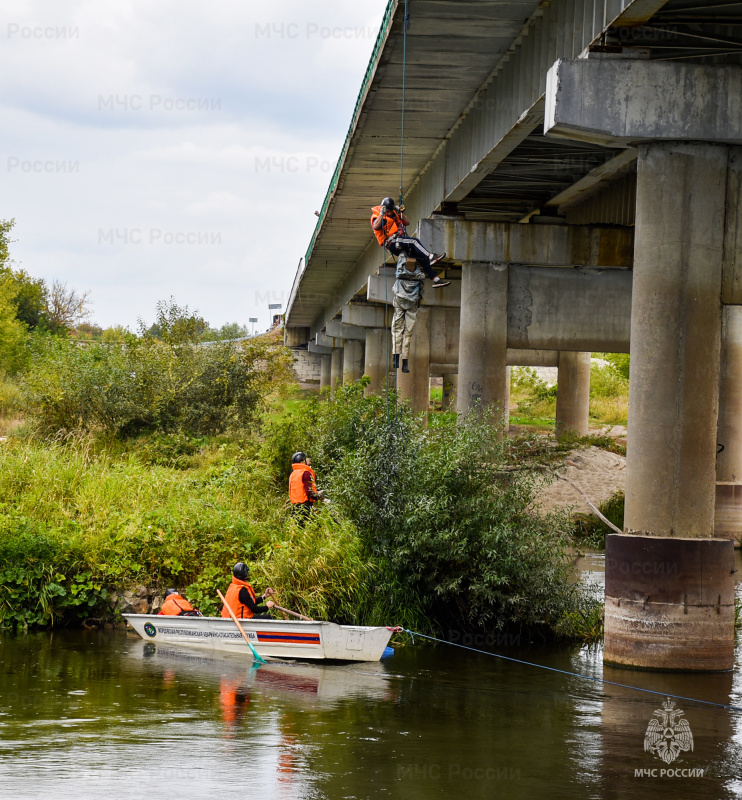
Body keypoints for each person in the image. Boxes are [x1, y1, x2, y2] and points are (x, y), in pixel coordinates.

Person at [370, 197, 450, 288]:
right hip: (392, 243)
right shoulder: (377, 216)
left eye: (390, 211)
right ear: (383, 209)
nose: (389, 213)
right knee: (414, 241)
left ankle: (436, 279)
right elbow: (376, 227)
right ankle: (431, 256)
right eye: (387, 211)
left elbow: (407, 222)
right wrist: (381, 214)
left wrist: (399, 213)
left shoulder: (394, 214)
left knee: (422, 258)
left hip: (399, 241)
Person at [391, 252, 425, 373]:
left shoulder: (400, 272)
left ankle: (395, 357)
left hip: (400, 300)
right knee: (408, 332)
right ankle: (405, 361)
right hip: (412, 302)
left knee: (396, 329)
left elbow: (398, 272)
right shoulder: (419, 276)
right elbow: (421, 289)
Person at [288, 451, 321, 523]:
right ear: (302, 461)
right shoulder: (305, 473)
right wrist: (319, 497)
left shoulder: (293, 473)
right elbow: (309, 492)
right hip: (305, 507)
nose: (308, 459)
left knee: (298, 529)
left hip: (295, 506)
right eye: (306, 458)